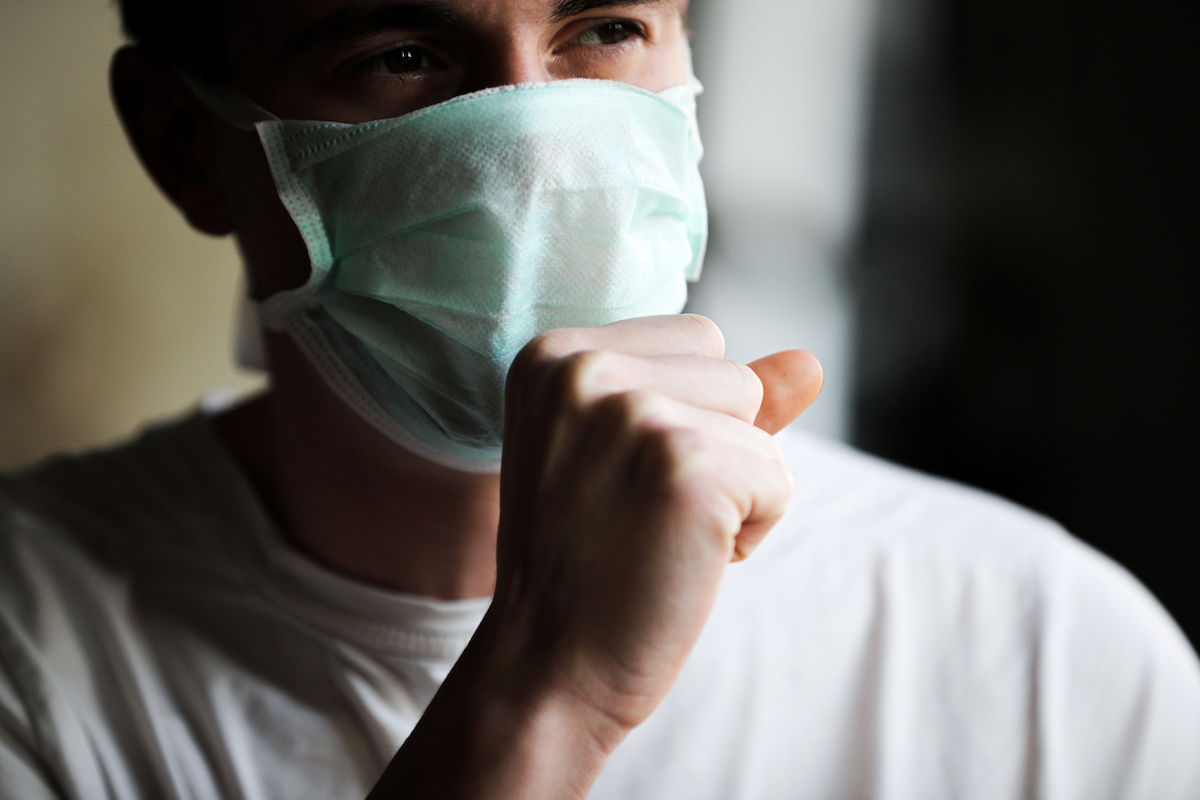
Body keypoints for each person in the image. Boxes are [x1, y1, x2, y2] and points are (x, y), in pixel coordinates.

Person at [1, 0, 1198, 798]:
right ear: (184, 143)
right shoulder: (33, 654)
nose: (536, 138)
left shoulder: (1035, 646)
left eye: (608, 25)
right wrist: (544, 696)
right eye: (399, 53)